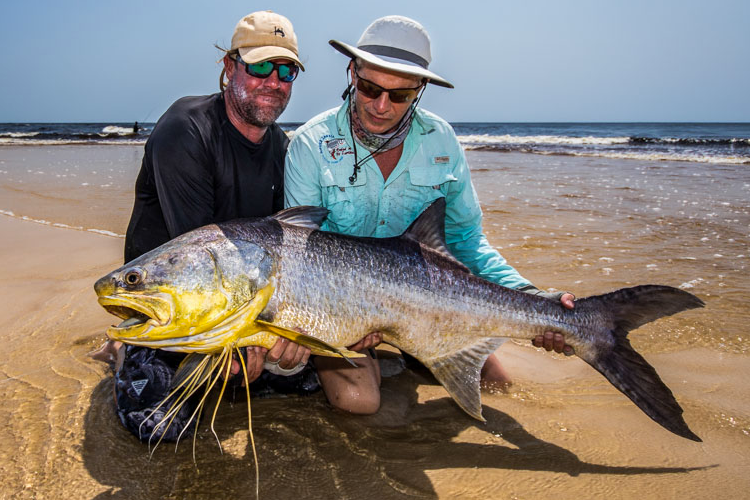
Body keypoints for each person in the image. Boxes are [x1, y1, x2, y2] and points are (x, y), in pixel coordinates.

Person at [285, 16, 575, 415]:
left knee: (498, 386)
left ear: (419, 90)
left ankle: (403, 356)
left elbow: (467, 242)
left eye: (400, 95)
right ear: (352, 72)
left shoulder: (442, 142)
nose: (381, 106)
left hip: (427, 304)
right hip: (345, 309)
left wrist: (537, 299)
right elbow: (298, 258)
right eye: (369, 88)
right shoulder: (309, 146)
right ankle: (382, 360)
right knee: (359, 402)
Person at [94, 11, 316, 441]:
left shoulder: (283, 149)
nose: (273, 80)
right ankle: (124, 348)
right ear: (229, 66)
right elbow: (202, 268)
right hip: (178, 304)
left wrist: (286, 333)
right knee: (159, 430)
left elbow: (281, 258)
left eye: (286, 70)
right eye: (259, 67)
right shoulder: (186, 131)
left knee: (308, 379)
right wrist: (245, 339)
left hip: (241, 302)